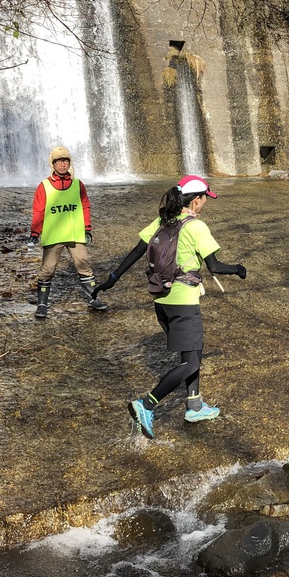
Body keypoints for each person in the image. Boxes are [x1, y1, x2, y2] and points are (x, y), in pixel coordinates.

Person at [92, 175, 246, 439]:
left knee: (192, 353)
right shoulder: (197, 227)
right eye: (205, 198)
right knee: (190, 362)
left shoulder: (162, 222)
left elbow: (136, 252)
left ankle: (194, 405)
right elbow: (215, 267)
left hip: (161, 301)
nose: (205, 203)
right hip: (183, 303)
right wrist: (238, 269)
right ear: (196, 200)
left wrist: (111, 280)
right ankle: (147, 404)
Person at [29, 146, 106, 319]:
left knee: (83, 265)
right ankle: (42, 304)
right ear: (53, 164)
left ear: (69, 163)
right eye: (59, 161)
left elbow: (85, 205)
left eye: (65, 161)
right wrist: (35, 232)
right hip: (54, 236)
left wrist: (87, 228)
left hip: (75, 234)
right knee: (47, 269)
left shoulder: (78, 185)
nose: (63, 164)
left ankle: (93, 298)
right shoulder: (44, 186)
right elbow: (38, 210)